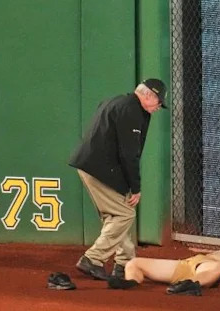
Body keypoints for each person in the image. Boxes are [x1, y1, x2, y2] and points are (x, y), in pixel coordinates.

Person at [68, 79, 167, 281]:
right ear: (149, 95)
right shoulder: (130, 110)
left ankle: (124, 263)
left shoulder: (117, 102)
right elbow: (129, 154)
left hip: (94, 166)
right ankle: (93, 259)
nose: (158, 108)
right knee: (124, 214)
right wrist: (136, 187)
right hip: (101, 169)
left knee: (116, 215)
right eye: (158, 102)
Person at [107, 249, 220, 295]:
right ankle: (131, 281)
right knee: (135, 263)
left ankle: (192, 285)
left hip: (214, 270)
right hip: (192, 264)